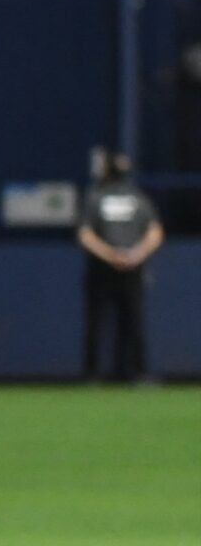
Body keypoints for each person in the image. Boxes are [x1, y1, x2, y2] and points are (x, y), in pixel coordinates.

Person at [79, 149, 163, 381]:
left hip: (107, 267)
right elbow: (156, 233)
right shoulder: (138, 197)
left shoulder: (96, 196)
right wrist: (134, 254)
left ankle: (93, 375)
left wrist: (113, 255)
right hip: (125, 267)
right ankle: (138, 372)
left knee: (102, 322)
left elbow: (85, 235)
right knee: (131, 321)